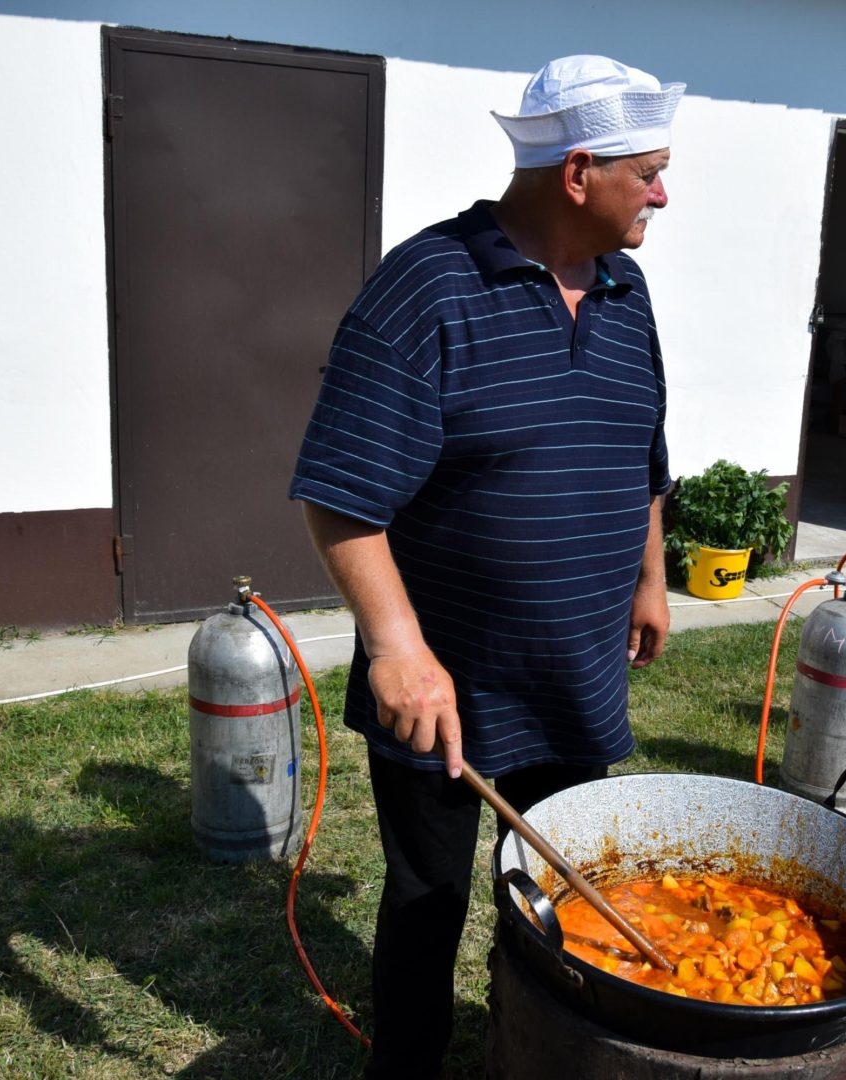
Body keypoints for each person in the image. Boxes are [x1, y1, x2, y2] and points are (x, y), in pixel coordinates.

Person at [289, 55, 683, 1078]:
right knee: (429, 897)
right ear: (578, 173)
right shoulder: (427, 288)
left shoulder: (627, 290)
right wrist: (397, 650)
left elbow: (641, 451)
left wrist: (648, 577)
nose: (662, 195)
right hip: (445, 680)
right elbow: (340, 492)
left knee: (559, 887)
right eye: (649, 174)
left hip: (575, 667)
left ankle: (535, 1049)